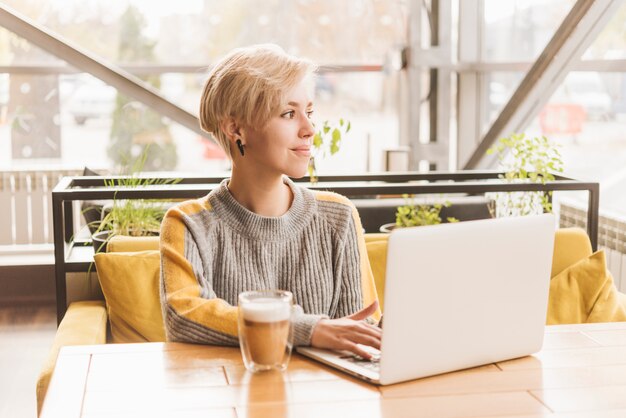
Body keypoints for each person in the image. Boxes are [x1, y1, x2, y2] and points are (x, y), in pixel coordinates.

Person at [159, 44, 381, 359]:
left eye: (310, 112)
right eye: (289, 113)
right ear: (236, 128)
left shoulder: (339, 216)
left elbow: (359, 333)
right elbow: (184, 315)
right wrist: (307, 329)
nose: (309, 129)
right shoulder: (188, 225)